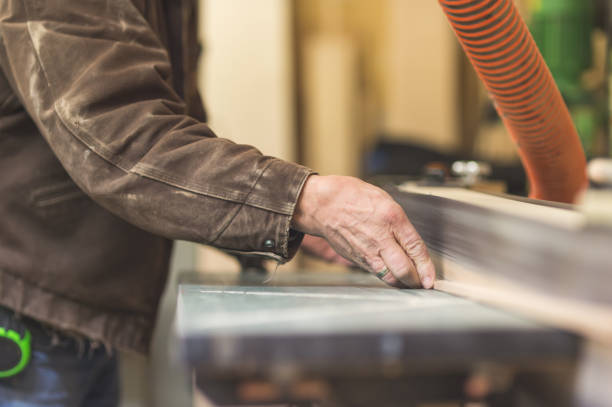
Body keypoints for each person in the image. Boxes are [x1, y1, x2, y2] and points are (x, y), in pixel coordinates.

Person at [0, 0, 435, 405]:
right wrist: (305, 201)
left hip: (70, 311)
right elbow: (125, 141)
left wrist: (292, 222)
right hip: (25, 317)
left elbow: (173, 128)